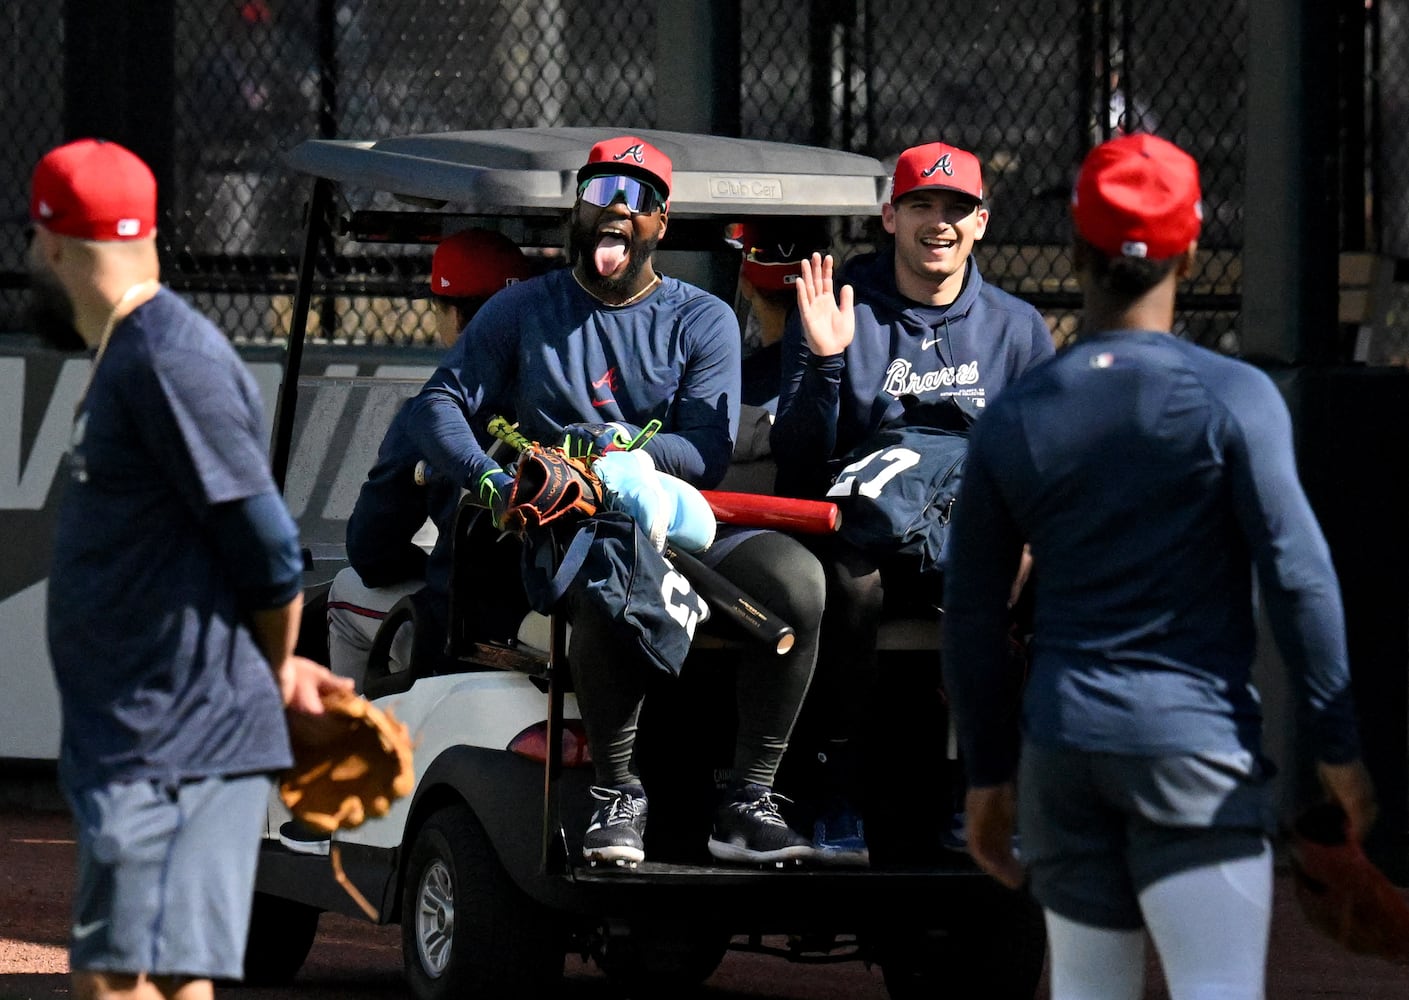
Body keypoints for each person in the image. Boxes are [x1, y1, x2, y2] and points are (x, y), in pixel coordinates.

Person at [941, 132, 1377, 1000]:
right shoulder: (1234, 398)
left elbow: (971, 613)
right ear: (1188, 246)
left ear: (1074, 252)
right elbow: (1300, 582)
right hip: (1193, 747)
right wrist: (1337, 749)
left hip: (1064, 750)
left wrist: (987, 778)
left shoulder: (1015, 414)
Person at [402, 135, 825, 867]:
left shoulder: (702, 318)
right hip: (562, 526)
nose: (618, 213)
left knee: (797, 581)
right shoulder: (520, 310)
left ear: (663, 222)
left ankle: (748, 799)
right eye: (601, 194)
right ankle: (616, 794)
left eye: (639, 201)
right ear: (576, 209)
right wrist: (493, 483)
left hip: (675, 517)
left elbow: (704, 451)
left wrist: (622, 451)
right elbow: (436, 407)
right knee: (604, 569)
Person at [30, 137, 353, 1000]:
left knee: (118, 976)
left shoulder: (167, 358)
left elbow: (271, 546)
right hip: (153, 726)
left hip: (172, 734)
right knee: (169, 975)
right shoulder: (138, 352)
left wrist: (275, 666)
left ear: (50, 243)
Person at [770, 140, 1054, 863]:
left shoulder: (1016, 328)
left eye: (955, 209)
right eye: (921, 206)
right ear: (888, 215)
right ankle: (836, 789)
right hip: (862, 536)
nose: (939, 223)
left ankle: (996, 792)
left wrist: (1025, 541)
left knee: (1056, 579)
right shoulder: (840, 304)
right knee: (846, 585)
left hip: (975, 535)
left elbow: (1047, 462)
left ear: (981, 222)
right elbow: (799, 461)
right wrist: (827, 362)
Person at [325, 228, 534, 690]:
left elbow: (371, 554)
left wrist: (428, 568)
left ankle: (352, 753)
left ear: (454, 314)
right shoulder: (577, 397)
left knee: (344, 591)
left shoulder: (435, 411)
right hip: (565, 629)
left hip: (464, 637)